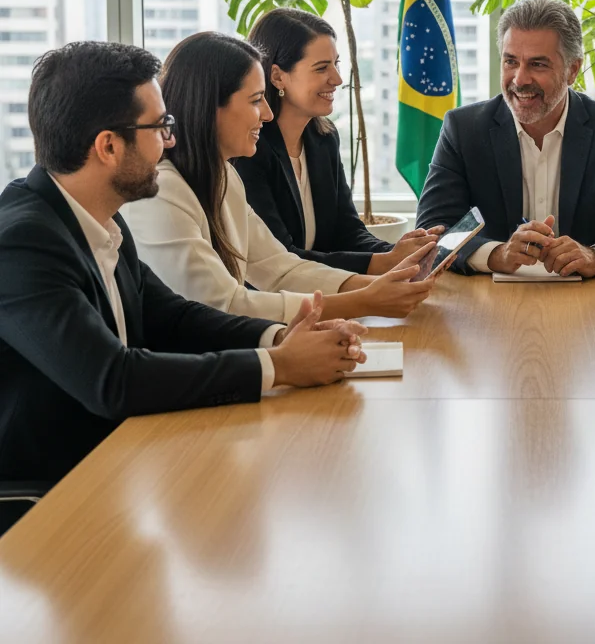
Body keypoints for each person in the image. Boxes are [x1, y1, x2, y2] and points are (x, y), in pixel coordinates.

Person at [0, 41, 368, 510]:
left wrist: (280, 338)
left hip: (115, 461)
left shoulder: (101, 217)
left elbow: (172, 317)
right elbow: (112, 380)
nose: (171, 140)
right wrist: (279, 366)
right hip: (44, 496)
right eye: (159, 127)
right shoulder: (23, 242)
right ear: (109, 146)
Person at [125, 32, 436, 323]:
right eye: (255, 100)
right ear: (210, 108)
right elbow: (224, 305)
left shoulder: (224, 178)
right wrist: (365, 300)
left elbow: (280, 269)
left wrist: (379, 286)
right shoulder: (161, 193)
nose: (267, 113)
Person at [416, 0, 595, 277]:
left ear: (572, 70)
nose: (519, 79)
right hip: (485, 299)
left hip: (592, 302)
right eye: (511, 62)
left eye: (537, 65)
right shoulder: (463, 128)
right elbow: (433, 230)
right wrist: (495, 254)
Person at [236, 8, 442, 273]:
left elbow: (348, 232)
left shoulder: (323, 137)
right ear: (277, 76)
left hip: (322, 297)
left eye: (336, 64)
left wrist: (398, 251)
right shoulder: (249, 149)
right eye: (322, 68)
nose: (337, 79)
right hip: (276, 305)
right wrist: (384, 262)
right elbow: (281, 259)